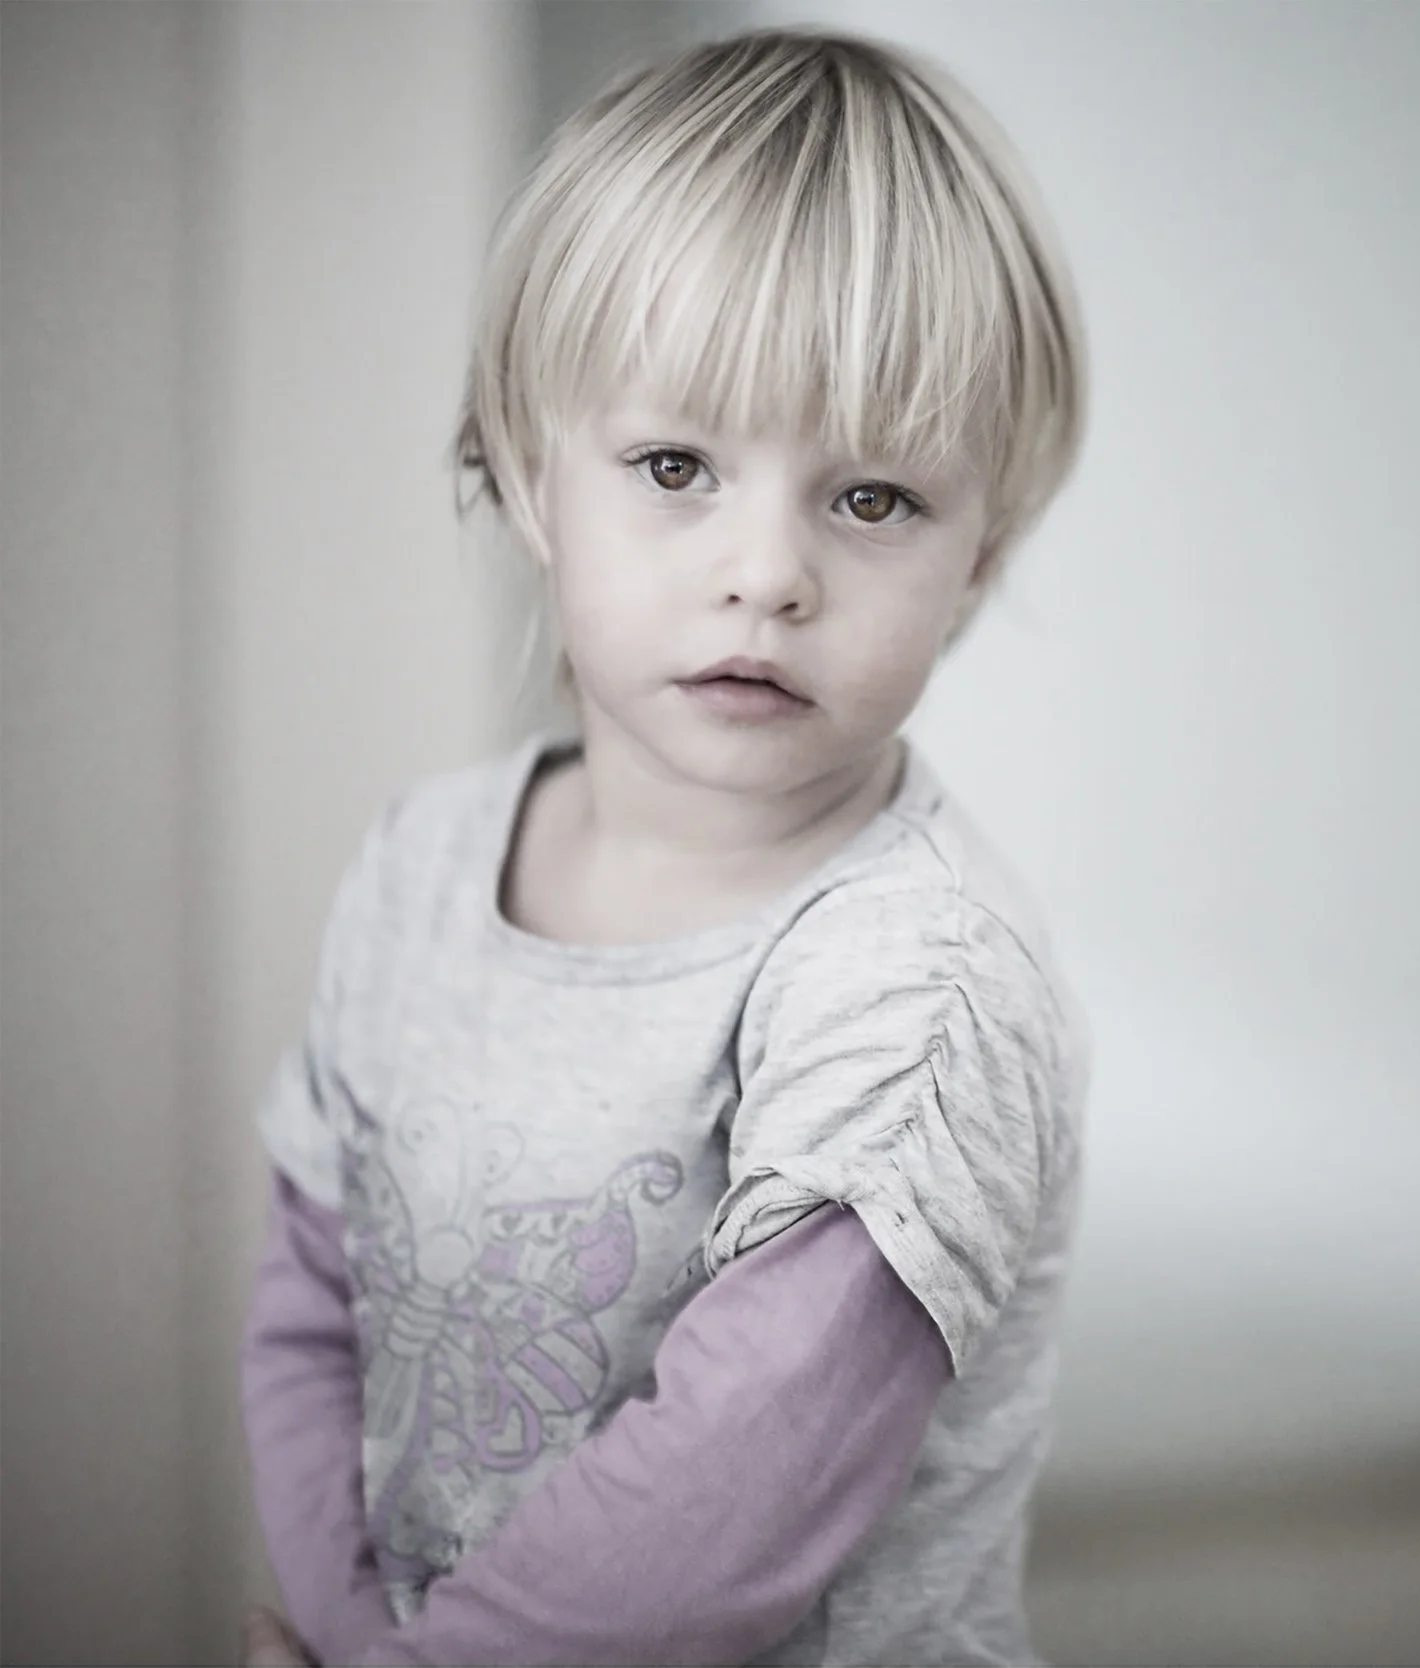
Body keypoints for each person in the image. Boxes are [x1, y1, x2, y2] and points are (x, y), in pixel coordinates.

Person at [235, 28, 1089, 1667]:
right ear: (530, 473)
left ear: (983, 551)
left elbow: (723, 1510)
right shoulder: (424, 869)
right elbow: (307, 1307)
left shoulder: (916, 994)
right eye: (677, 466)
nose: (766, 572)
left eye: (876, 498)